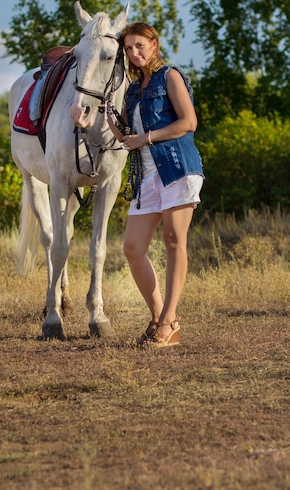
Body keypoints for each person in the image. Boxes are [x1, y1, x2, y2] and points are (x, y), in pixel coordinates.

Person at [106, 22, 204, 347]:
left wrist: (147, 137)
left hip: (176, 168)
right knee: (132, 248)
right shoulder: (133, 91)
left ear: (153, 43)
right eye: (129, 49)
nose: (134, 54)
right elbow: (126, 139)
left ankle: (167, 321)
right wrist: (111, 120)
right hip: (147, 176)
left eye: (139, 46)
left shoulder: (169, 76)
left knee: (174, 240)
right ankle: (163, 317)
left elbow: (188, 122)